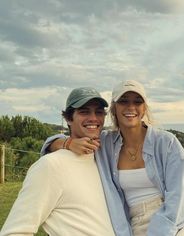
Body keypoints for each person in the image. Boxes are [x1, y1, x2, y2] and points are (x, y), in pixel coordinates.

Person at [40, 80, 184, 236]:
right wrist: (67, 144)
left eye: (137, 101)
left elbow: (182, 195)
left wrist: (160, 231)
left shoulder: (165, 142)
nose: (131, 107)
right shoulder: (105, 144)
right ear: (114, 108)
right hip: (135, 223)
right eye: (124, 101)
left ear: (144, 108)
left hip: (178, 219)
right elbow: (51, 142)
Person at [0, 87, 132, 236]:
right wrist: (66, 143)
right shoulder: (50, 166)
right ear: (69, 118)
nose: (93, 118)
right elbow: (15, 231)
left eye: (99, 112)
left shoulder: (104, 158)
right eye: (84, 111)